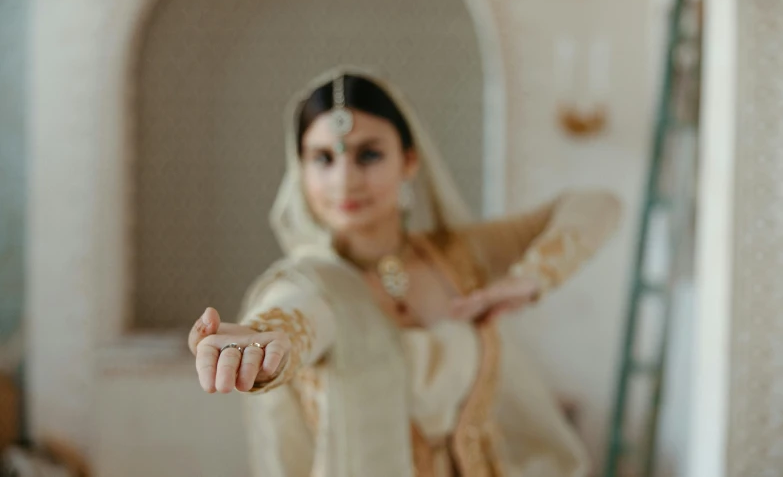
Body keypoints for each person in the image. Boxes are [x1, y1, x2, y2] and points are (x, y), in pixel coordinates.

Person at [187, 67, 622, 477]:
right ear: (299, 171)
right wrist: (272, 339)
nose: (344, 180)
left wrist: (529, 280)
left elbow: (597, 204)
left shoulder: (458, 254)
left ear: (409, 161)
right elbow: (300, 317)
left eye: (369, 155)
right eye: (322, 159)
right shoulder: (309, 284)